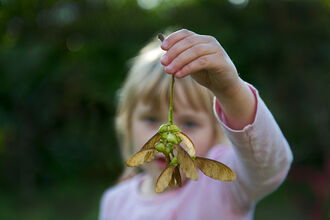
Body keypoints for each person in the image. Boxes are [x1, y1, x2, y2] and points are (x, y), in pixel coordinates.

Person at [98, 29, 293, 220]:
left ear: (215, 130)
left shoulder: (224, 187)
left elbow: (268, 166)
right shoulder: (115, 202)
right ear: (127, 124)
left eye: (190, 123)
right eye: (150, 119)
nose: (170, 142)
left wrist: (231, 91)